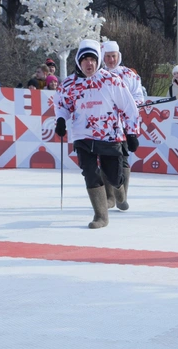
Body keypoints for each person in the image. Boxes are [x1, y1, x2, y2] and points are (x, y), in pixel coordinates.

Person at [54, 39, 140, 229]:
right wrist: (61, 120)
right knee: (90, 174)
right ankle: (101, 216)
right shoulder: (69, 84)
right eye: (85, 59)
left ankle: (119, 191)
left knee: (113, 175)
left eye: (92, 59)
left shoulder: (111, 80)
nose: (89, 63)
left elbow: (129, 107)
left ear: (98, 60)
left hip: (109, 135)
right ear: (78, 61)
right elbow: (62, 105)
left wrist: (132, 133)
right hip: (82, 135)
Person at [100, 41, 145, 208]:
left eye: (114, 56)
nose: (111, 59)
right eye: (108, 56)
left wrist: (130, 104)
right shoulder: (98, 74)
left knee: (123, 159)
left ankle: (122, 196)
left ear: (119, 56)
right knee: (105, 159)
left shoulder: (129, 74)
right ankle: (109, 197)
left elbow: (139, 96)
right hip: (103, 126)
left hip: (124, 125)